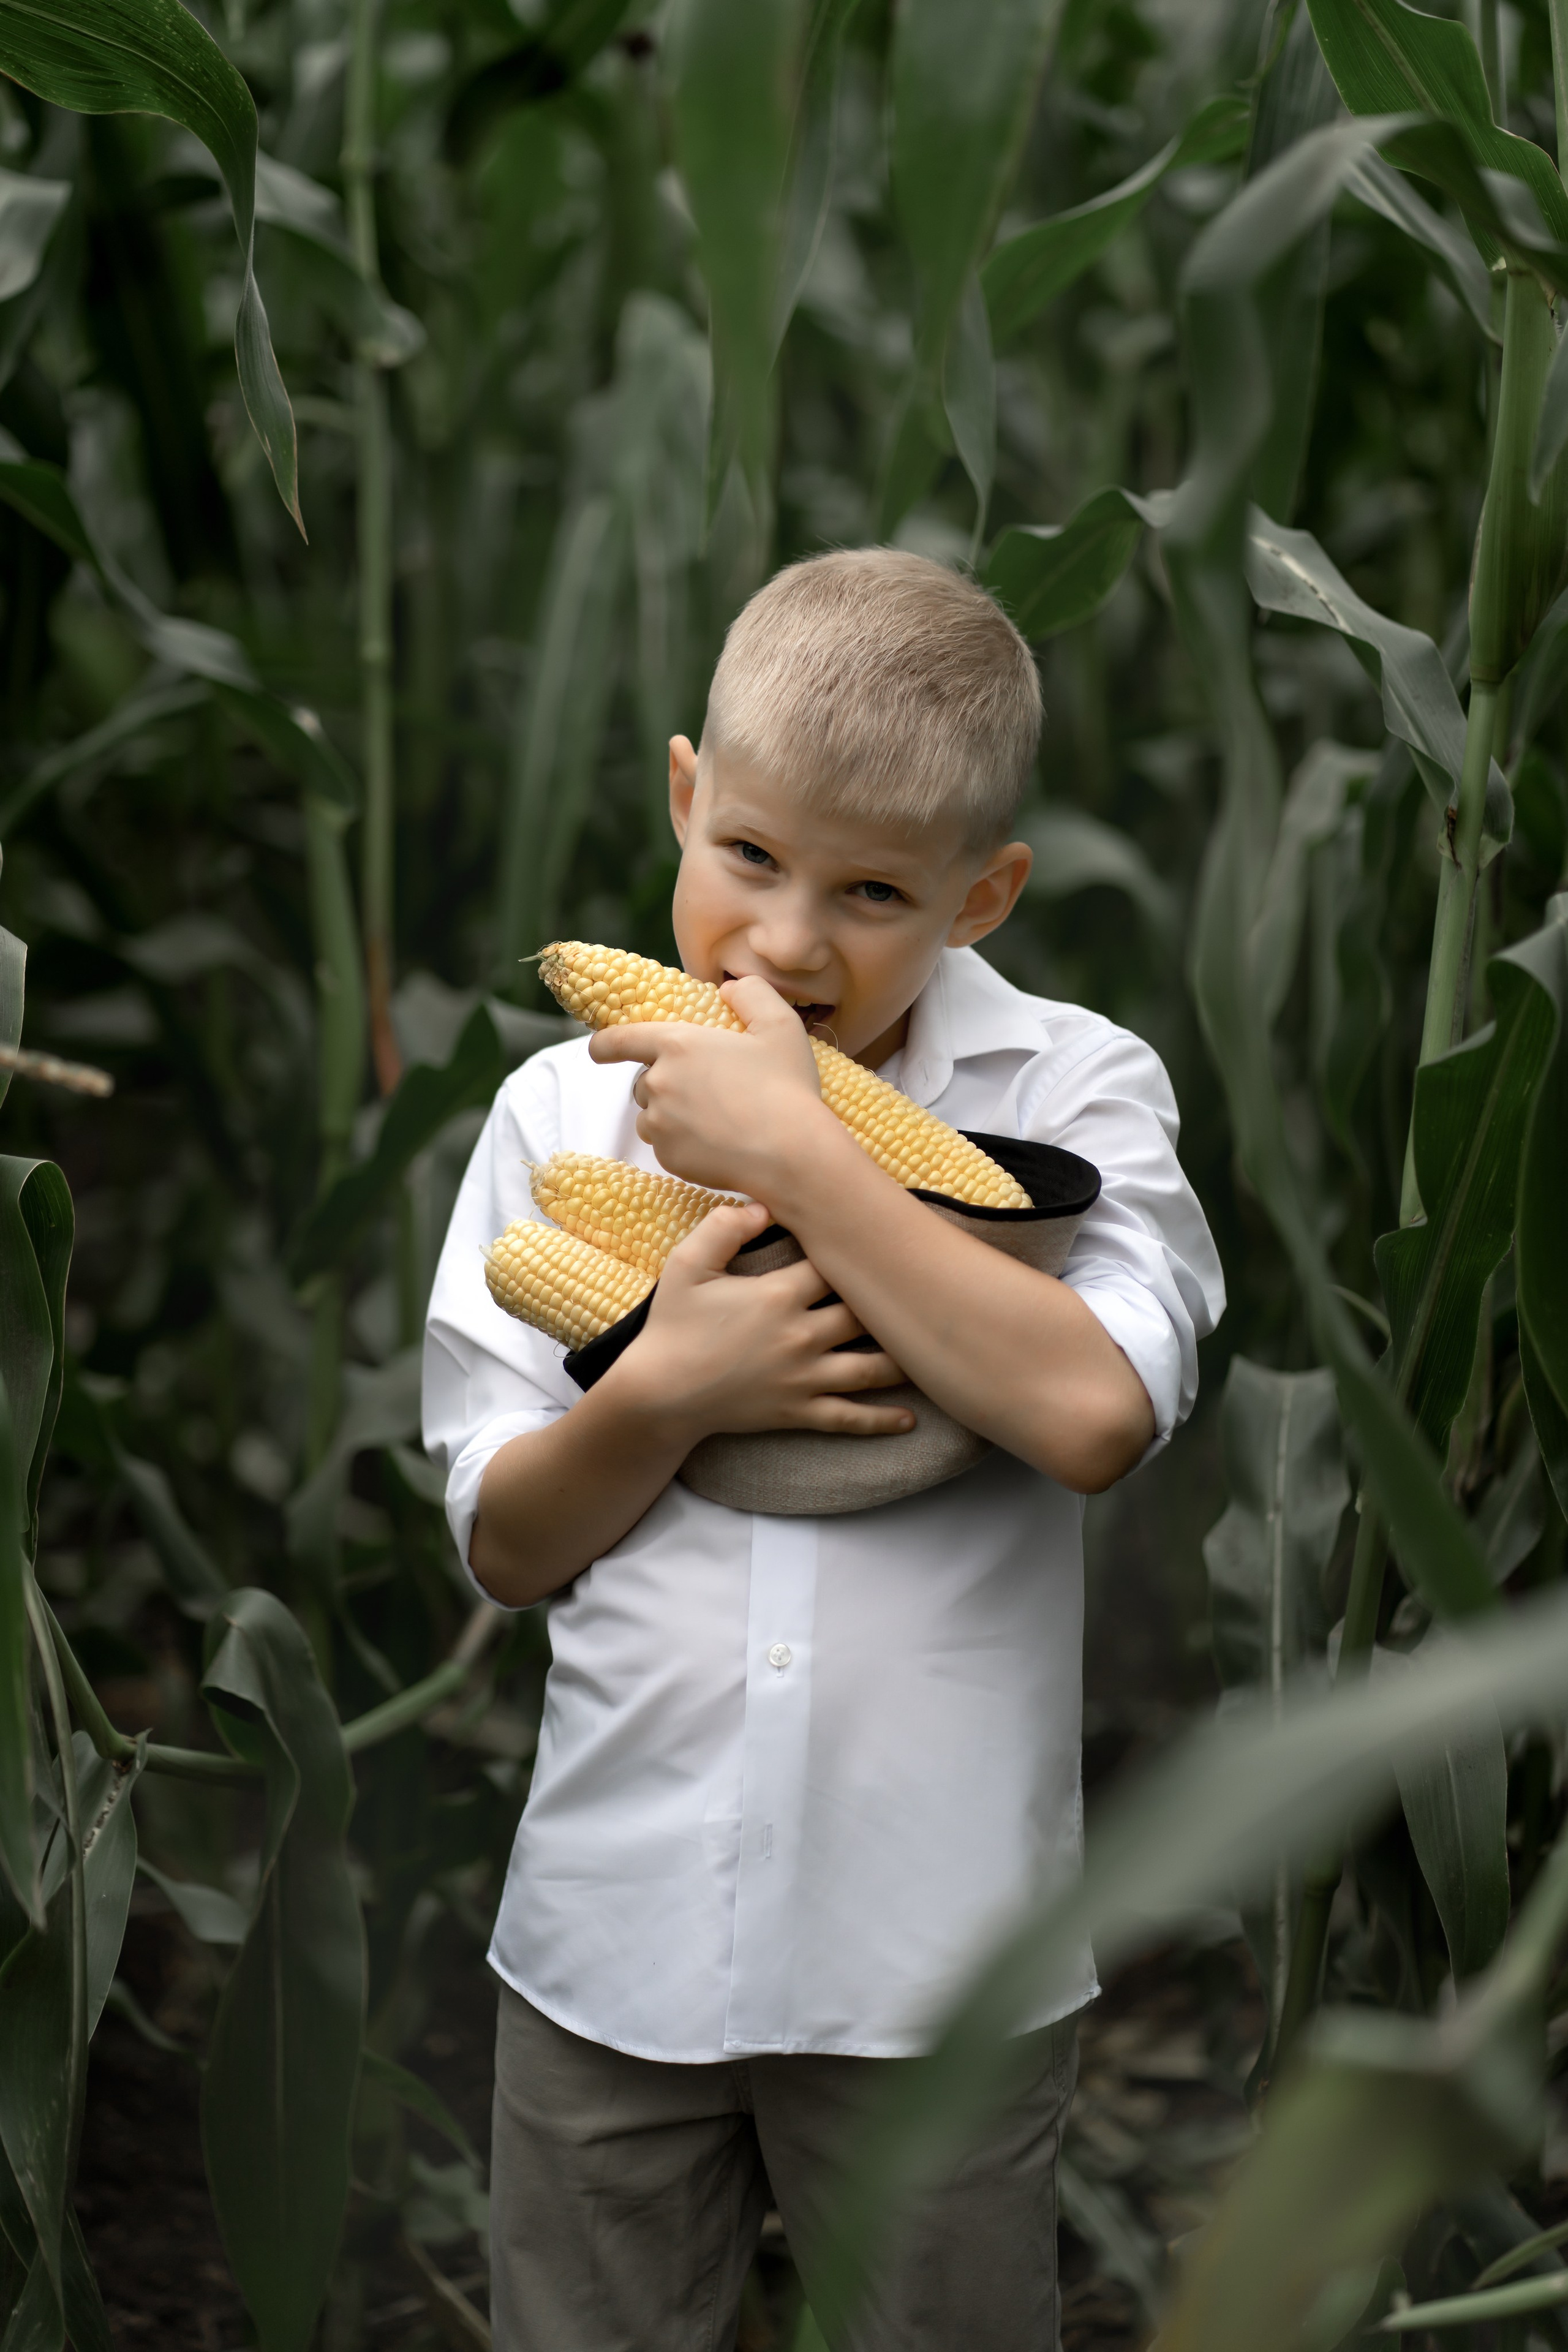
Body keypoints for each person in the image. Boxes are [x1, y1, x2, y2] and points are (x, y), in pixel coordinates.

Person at [423, 548, 1224, 2351]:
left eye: (874, 891)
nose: (789, 946)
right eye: (752, 861)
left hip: (935, 1960)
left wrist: (798, 1155)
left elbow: (1094, 1413)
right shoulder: (554, 1111)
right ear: (688, 797)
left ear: (986, 893)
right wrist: (666, 1393)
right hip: (610, 1931)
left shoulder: (1076, 1093)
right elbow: (507, 1538)